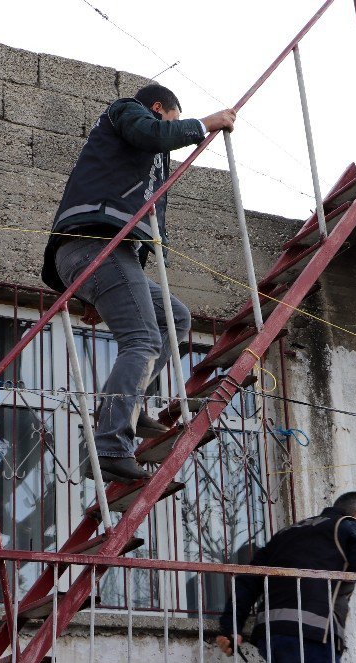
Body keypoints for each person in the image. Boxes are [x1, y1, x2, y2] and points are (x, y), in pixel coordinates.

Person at [41, 83, 236, 482]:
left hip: (106, 253)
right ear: (158, 108)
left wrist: (89, 295)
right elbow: (152, 134)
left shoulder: (143, 159)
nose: (172, 133)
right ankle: (111, 444)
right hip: (95, 246)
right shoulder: (126, 111)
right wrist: (204, 124)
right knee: (143, 340)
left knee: (175, 318)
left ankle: (129, 406)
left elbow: (144, 223)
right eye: (172, 122)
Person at [216, 491, 356, 663]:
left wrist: (230, 626)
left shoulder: (286, 533)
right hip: (313, 634)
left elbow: (248, 581)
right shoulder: (351, 527)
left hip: (270, 635)